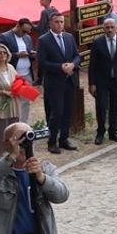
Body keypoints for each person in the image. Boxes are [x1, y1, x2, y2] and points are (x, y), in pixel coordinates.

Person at [36, 13, 80, 155]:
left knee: (68, 111)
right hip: (54, 82)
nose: (60, 24)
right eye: (56, 22)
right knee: (57, 112)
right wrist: (60, 67)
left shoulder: (69, 37)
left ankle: (64, 139)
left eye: (61, 22)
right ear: (50, 23)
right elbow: (42, 62)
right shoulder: (44, 40)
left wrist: (73, 65)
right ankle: (52, 141)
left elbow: (77, 55)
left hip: (70, 80)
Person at [88, 18, 117, 145]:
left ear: (116, 27)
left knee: (115, 106)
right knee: (101, 107)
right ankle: (100, 132)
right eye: (107, 27)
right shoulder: (97, 42)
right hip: (102, 81)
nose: (110, 30)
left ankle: (113, 131)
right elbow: (92, 65)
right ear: (103, 29)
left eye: (112, 27)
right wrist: (92, 83)